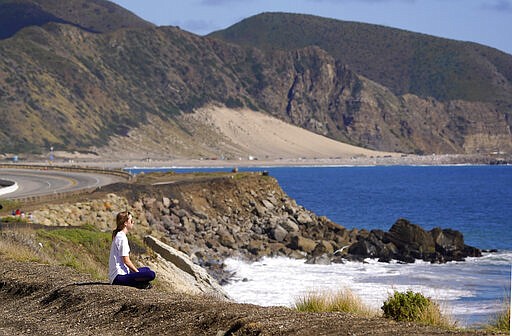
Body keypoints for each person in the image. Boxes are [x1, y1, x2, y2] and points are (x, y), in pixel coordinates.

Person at [109, 211, 155, 289]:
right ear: (125, 223)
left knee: (146, 269)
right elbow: (126, 261)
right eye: (131, 221)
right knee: (151, 274)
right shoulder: (121, 238)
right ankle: (138, 283)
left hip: (122, 273)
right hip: (118, 277)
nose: (133, 222)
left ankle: (139, 282)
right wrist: (137, 273)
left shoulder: (120, 235)